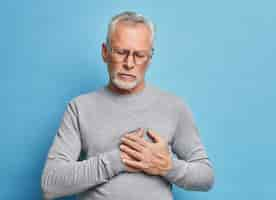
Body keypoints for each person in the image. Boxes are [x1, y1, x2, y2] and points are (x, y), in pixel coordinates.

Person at [40, 11, 215, 200]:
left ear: (150, 58)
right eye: (121, 52)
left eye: (139, 55)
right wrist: (118, 160)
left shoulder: (174, 107)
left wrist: (167, 166)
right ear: (105, 52)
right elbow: (51, 184)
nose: (129, 64)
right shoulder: (79, 108)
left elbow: (205, 177)